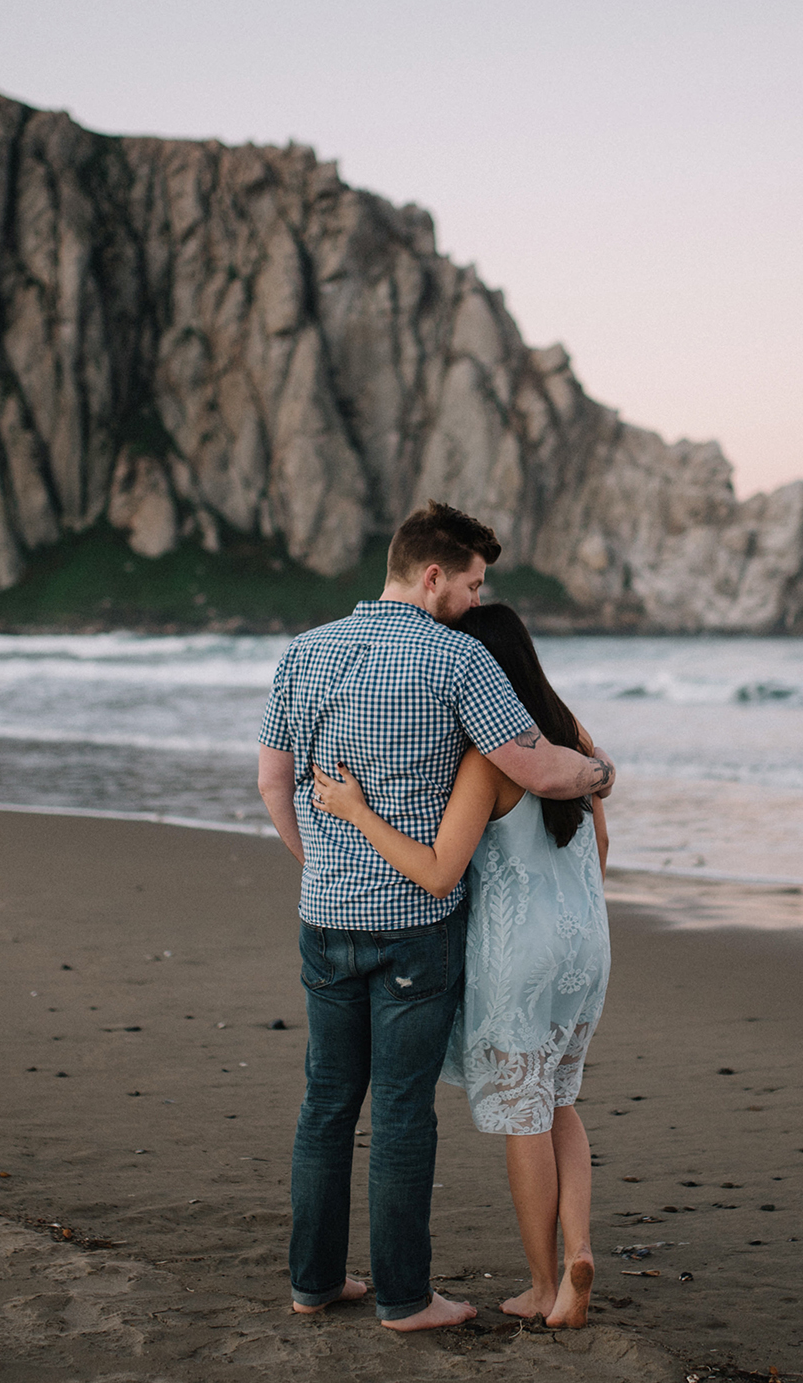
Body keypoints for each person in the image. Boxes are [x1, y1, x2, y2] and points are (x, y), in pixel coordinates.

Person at [256, 501, 616, 1332]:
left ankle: (312, 1282)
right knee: (404, 1111)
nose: (474, 595)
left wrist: (322, 867)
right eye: (471, 581)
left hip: (327, 917)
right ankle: (404, 1298)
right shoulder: (459, 660)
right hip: (418, 921)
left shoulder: (303, 652)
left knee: (326, 1103)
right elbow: (534, 766)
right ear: (431, 576)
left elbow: (275, 784)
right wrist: (602, 773)